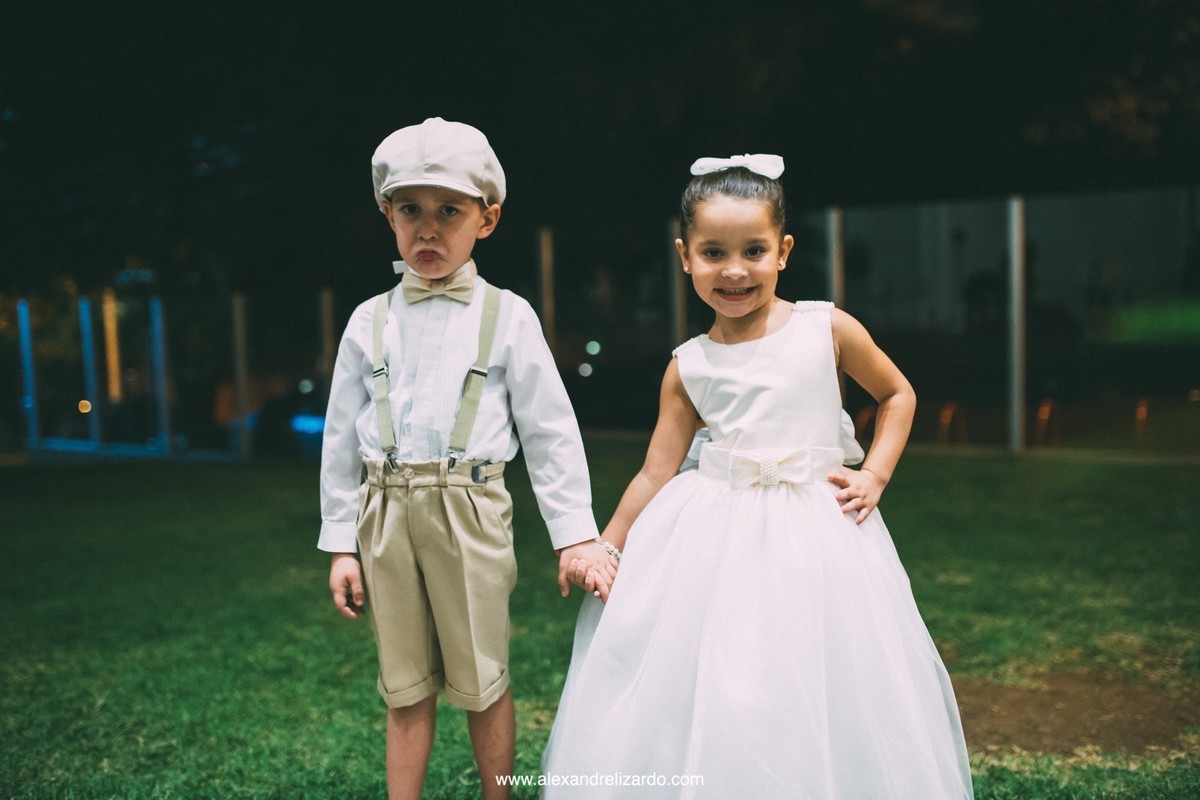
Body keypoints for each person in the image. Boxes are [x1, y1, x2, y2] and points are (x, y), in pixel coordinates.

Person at [542, 155, 973, 798]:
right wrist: (607, 543)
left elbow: (898, 394)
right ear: (685, 256)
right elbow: (656, 471)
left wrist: (875, 473)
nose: (735, 269)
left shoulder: (826, 327)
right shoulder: (688, 366)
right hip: (717, 535)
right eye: (714, 252)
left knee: (820, 664)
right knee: (726, 666)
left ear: (784, 251)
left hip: (821, 531)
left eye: (754, 250)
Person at [319, 117, 617, 800]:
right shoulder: (367, 321)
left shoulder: (508, 317)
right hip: (385, 512)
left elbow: (550, 431)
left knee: (484, 675)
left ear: (487, 219)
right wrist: (342, 544)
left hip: (473, 508)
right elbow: (340, 438)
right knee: (403, 680)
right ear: (386, 214)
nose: (428, 230)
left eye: (448, 211)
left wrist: (574, 533)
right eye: (410, 211)